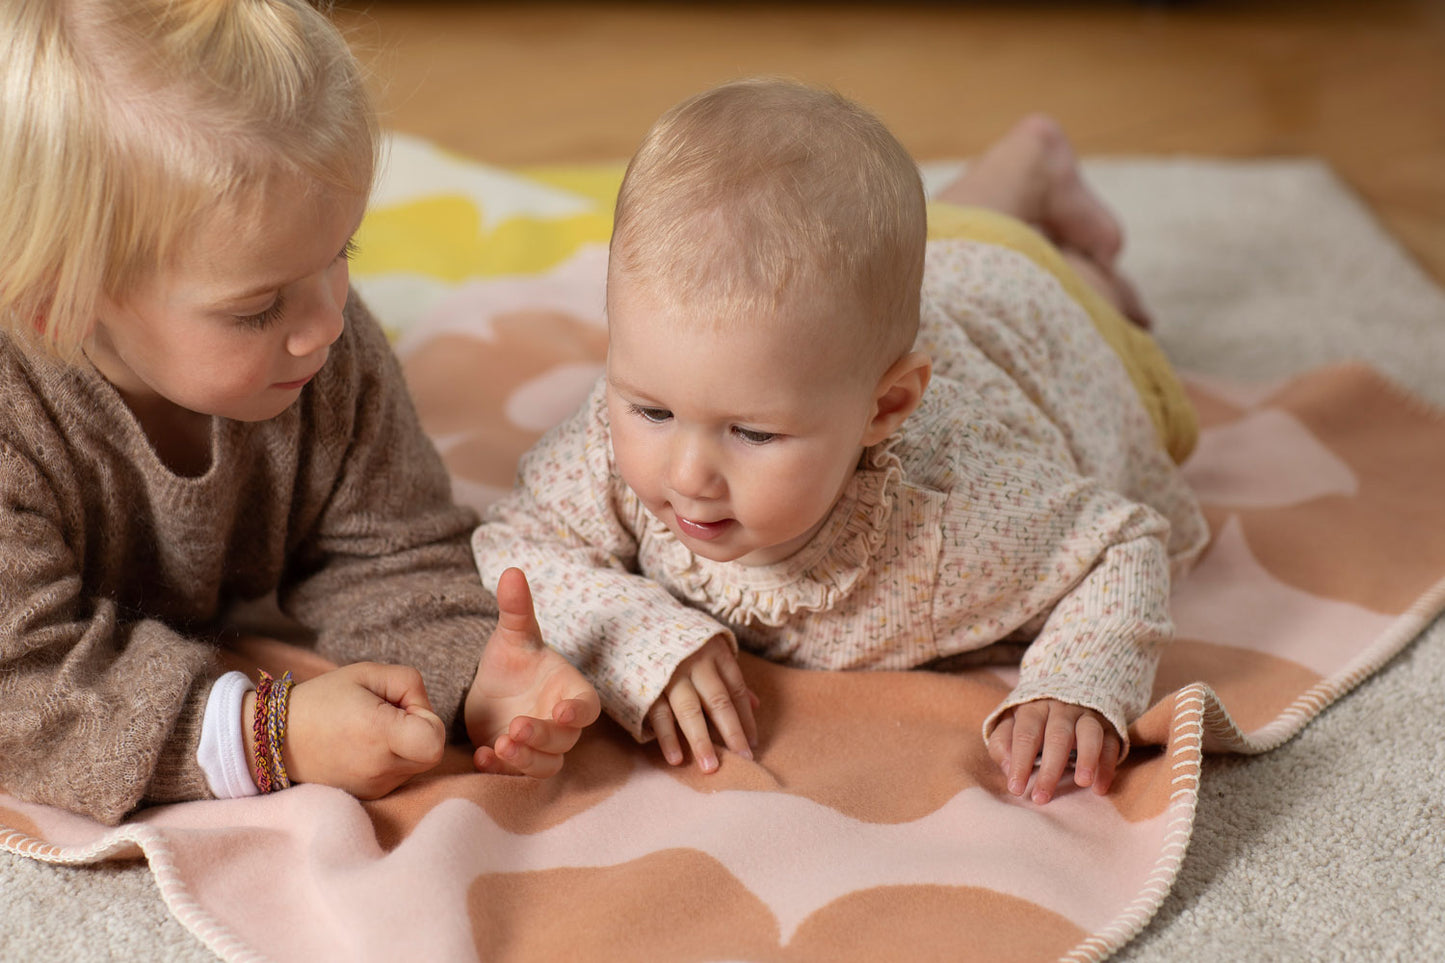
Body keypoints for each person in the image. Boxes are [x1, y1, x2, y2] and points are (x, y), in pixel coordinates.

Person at [472, 77, 1208, 805]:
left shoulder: (961, 513)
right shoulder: (611, 437)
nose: (688, 474)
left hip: (1034, 315)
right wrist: (636, 637)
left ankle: (1057, 220)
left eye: (752, 431)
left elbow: (1121, 548)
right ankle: (1026, 160)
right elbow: (514, 540)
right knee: (928, 241)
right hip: (902, 296)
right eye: (652, 411)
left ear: (885, 408)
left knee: (1099, 308)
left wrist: (1073, 684)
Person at [0, 0, 599, 827]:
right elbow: (17, 690)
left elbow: (390, 548)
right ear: (56, 306)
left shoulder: (326, 346)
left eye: (341, 253)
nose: (326, 323)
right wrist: (269, 732)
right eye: (258, 307)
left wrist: (476, 672)